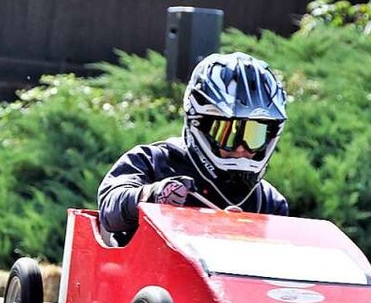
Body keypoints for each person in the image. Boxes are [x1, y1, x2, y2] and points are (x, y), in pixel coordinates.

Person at [97, 51, 288, 245]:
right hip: (144, 272)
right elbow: (109, 209)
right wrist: (150, 196)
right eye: (227, 133)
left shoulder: (269, 202)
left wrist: (240, 232)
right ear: (200, 125)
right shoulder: (151, 161)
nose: (240, 148)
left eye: (254, 135)